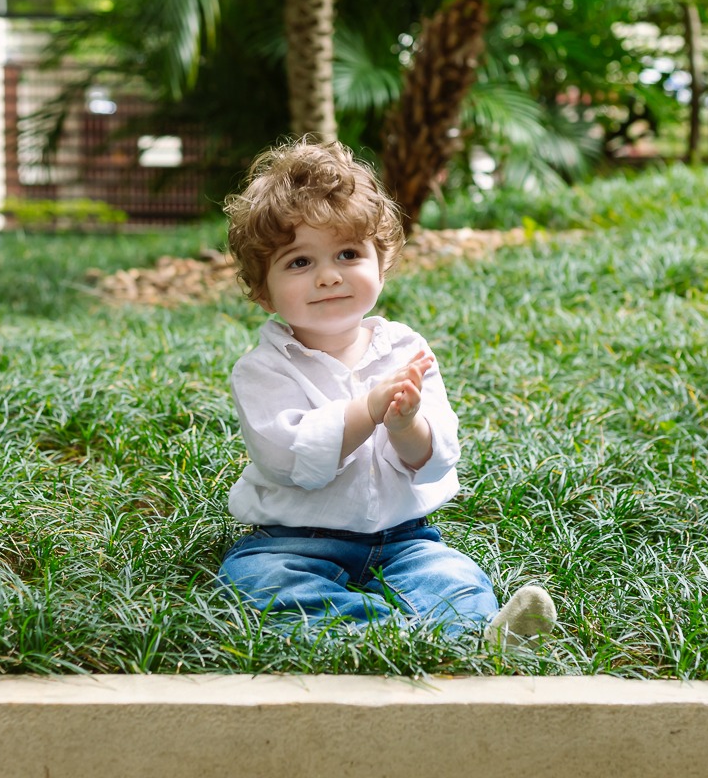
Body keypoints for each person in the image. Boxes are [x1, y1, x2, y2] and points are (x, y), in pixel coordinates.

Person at [218, 138, 556, 645]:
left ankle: (483, 635)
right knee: (259, 585)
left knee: (453, 578)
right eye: (299, 263)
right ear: (262, 288)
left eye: (348, 253)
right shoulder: (261, 370)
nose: (329, 275)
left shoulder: (406, 349)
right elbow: (288, 461)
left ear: (382, 261)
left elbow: (437, 455)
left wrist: (405, 425)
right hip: (289, 542)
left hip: (404, 538)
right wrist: (367, 410)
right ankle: (394, 635)